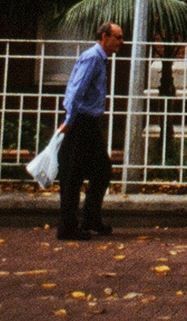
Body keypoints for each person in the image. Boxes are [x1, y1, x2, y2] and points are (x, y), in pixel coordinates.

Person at [57, 21, 122, 240]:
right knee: (72, 175)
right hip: (80, 122)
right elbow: (75, 90)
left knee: (102, 171)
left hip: (89, 122)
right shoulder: (93, 58)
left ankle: (90, 218)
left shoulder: (101, 60)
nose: (121, 42)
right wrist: (69, 121)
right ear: (105, 37)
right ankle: (68, 228)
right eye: (118, 37)